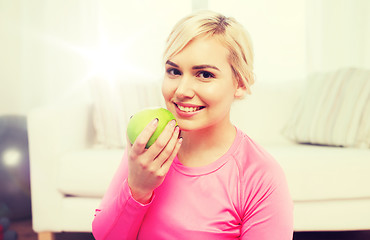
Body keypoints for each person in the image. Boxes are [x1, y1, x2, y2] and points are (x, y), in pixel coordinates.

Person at [92, 10, 293, 240]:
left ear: (240, 83)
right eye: (174, 71)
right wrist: (138, 189)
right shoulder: (148, 146)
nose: (182, 91)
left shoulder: (261, 176)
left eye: (204, 74)